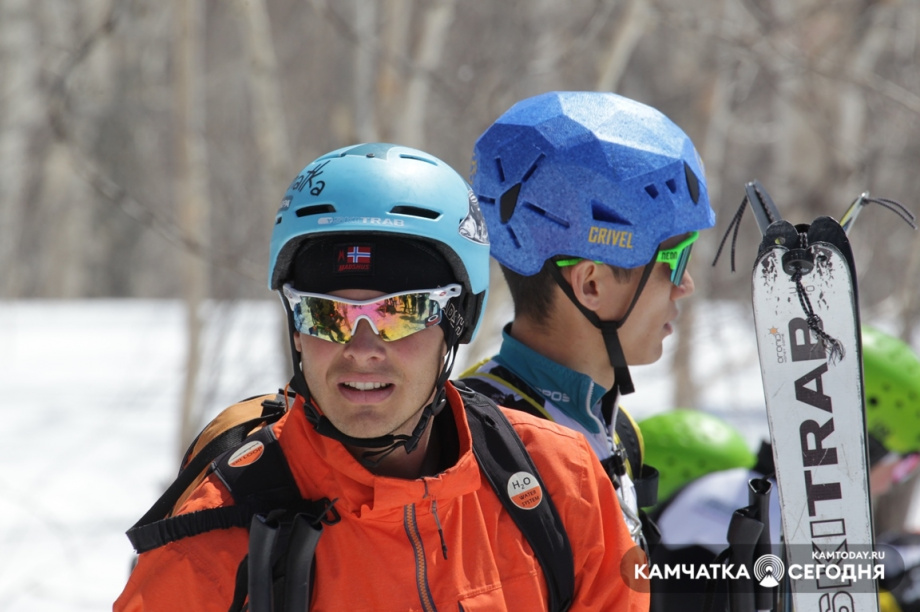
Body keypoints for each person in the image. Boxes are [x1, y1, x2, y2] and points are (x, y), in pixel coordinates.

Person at [115, 143, 647, 611]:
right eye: (326, 314)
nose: (361, 348)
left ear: (457, 321)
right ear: (295, 330)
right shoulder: (218, 538)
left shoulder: (559, 481)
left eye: (403, 312)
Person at [460, 91, 717, 550]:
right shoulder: (479, 455)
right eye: (674, 260)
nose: (686, 284)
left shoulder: (614, 428)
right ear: (591, 285)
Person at [641, 325, 920, 612]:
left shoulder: (740, 494)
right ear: (865, 447)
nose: (895, 482)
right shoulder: (756, 512)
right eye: (906, 465)